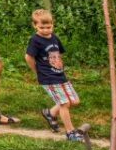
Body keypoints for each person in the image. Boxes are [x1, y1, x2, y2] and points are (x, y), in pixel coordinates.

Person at [25, 9, 84, 142]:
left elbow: (59, 53)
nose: (46, 30)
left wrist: (59, 67)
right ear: (35, 25)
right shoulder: (35, 40)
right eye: (42, 27)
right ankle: (70, 132)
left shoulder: (54, 37)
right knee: (64, 104)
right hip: (48, 77)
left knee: (74, 101)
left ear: (53, 24)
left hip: (59, 74)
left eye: (49, 27)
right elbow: (28, 57)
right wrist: (37, 71)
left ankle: (50, 113)